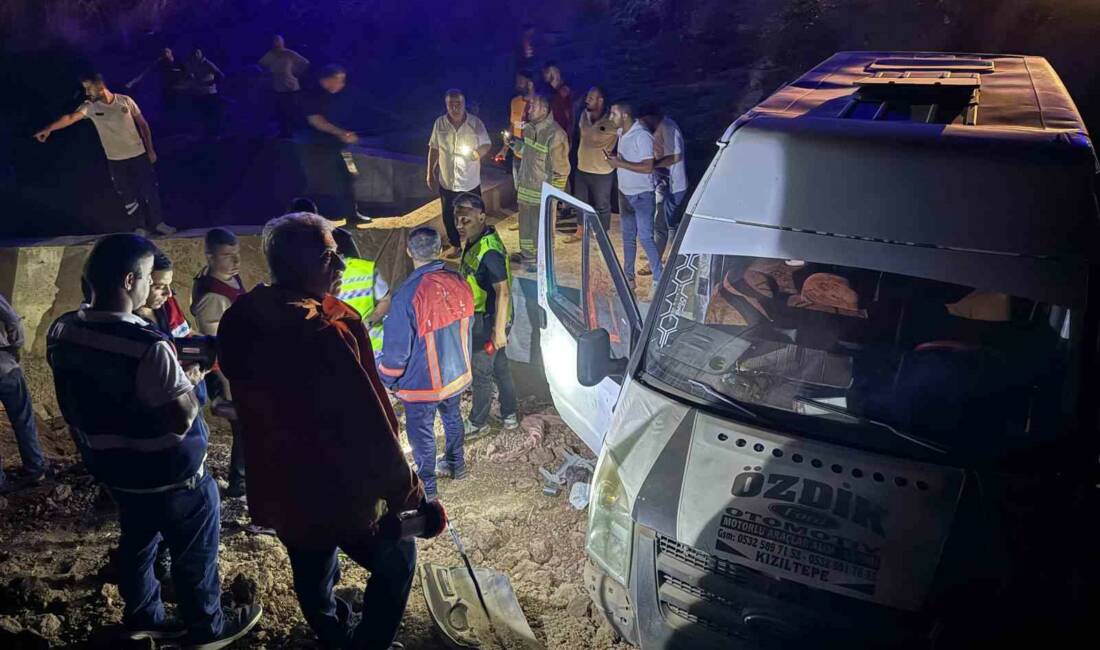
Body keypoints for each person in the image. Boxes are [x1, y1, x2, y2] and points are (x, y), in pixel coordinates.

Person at [218, 213, 439, 650]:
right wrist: (408, 493)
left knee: (310, 562)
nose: (340, 267)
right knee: (397, 557)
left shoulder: (242, 315)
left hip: (279, 482)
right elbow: (367, 425)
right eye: (330, 257)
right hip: (335, 487)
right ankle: (369, 643)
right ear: (306, 264)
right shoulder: (320, 334)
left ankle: (333, 633)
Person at [46, 234, 261, 647]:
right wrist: (193, 379)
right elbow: (180, 417)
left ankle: (144, 615)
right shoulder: (147, 346)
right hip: (172, 474)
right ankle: (205, 630)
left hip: (116, 469)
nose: (152, 287)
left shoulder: (63, 330)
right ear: (130, 281)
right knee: (194, 553)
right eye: (148, 278)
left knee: (139, 541)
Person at [378, 227, 474, 500]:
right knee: (452, 416)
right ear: (440, 248)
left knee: (421, 432)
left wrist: (388, 378)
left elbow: (397, 353)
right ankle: (457, 464)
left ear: (409, 252)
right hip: (455, 372)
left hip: (423, 382)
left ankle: (428, 486)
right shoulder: (458, 280)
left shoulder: (407, 295)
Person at [34, 73, 175, 237]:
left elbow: (143, 125)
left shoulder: (125, 101)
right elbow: (70, 117)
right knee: (127, 195)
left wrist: (150, 150)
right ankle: (140, 227)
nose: (87, 93)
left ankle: (159, 223)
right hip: (115, 160)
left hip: (138, 155)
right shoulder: (90, 107)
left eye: (89, 88)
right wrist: (48, 129)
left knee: (149, 190)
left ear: (100, 86)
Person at [454, 194, 519, 438]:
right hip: (485, 317)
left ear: (481, 216)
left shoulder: (488, 251)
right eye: (457, 220)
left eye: (465, 220)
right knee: (500, 367)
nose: (460, 225)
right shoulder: (476, 240)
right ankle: (509, 414)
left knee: (482, 372)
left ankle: (478, 422)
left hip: (489, 321)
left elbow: (503, 291)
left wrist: (498, 329)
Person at [190, 228, 247, 497]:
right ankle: (240, 484)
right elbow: (217, 343)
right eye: (227, 256)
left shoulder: (228, 279)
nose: (236, 262)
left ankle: (242, 481)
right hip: (229, 370)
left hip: (240, 364)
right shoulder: (213, 295)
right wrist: (227, 387)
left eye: (236, 255)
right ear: (210, 257)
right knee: (244, 427)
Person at [504, 93, 570, 270]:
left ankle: (542, 260)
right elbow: (528, 152)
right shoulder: (530, 129)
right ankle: (527, 255)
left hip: (543, 195)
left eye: (532, 106)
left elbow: (561, 171)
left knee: (543, 230)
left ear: (544, 109)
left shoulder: (555, 134)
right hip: (526, 190)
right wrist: (513, 144)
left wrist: (552, 199)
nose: (528, 109)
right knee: (526, 227)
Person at [298, 65, 370, 227]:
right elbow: (316, 121)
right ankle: (308, 219)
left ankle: (351, 215)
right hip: (316, 147)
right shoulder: (314, 95)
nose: (341, 84)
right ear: (328, 79)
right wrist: (341, 133)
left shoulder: (333, 96)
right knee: (318, 183)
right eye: (339, 79)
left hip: (333, 146)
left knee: (346, 177)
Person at [427, 89, 491, 259]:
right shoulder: (439, 124)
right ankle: (455, 245)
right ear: (446, 105)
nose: (455, 108)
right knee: (448, 215)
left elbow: (486, 144)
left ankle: (475, 245)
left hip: (469, 181)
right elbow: (434, 148)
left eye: (458, 104)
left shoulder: (475, 123)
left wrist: (477, 153)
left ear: (464, 104)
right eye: (451, 104)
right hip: (447, 181)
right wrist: (430, 172)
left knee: (473, 216)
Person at [606, 100, 660, 290]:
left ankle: (658, 279)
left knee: (645, 237)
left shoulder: (642, 136)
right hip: (624, 193)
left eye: (613, 113)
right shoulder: (622, 132)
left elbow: (648, 167)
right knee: (628, 238)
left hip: (642, 195)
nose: (610, 117)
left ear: (625, 116)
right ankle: (629, 279)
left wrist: (619, 164)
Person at [0, 292, 48, 493]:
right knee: (23, 419)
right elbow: (13, 320)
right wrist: (14, 347)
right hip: (5, 365)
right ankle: (36, 469)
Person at [565, 86, 617, 241]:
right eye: (587, 97)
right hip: (582, 167)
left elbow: (624, 136)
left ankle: (603, 233)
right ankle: (580, 231)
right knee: (580, 201)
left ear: (600, 100)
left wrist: (618, 156)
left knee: (602, 204)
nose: (587, 100)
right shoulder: (583, 115)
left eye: (591, 98)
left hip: (602, 171)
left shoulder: (611, 120)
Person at [640, 106, 688, 261]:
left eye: (644, 121)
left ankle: (659, 259)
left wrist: (651, 165)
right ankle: (665, 255)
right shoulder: (661, 126)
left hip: (673, 186)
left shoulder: (668, 128)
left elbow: (676, 157)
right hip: (664, 184)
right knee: (665, 222)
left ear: (651, 117)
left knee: (661, 224)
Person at [332, 228, 390, 353]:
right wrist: (369, 321)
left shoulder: (316, 275)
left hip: (340, 351)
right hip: (374, 347)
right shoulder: (365, 269)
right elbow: (386, 299)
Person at [258, 35, 310, 138]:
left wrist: (296, 72)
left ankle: (291, 132)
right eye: (274, 41)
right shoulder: (270, 54)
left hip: (290, 86)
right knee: (281, 110)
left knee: (290, 109)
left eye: (278, 41)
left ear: (282, 42)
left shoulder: (289, 53)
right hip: (277, 86)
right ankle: (284, 131)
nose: (276, 43)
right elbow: (261, 65)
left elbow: (305, 63)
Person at [495, 70, 535, 201]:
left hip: (534, 157)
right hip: (517, 155)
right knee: (519, 190)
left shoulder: (540, 104)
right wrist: (504, 149)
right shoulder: (515, 102)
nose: (517, 84)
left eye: (520, 81)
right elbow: (513, 125)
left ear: (530, 82)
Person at [125, 48, 188, 130]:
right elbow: (146, 72)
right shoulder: (160, 63)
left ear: (170, 52)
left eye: (166, 53)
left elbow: (186, 74)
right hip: (165, 89)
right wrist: (132, 82)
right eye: (163, 53)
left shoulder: (178, 62)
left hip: (178, 90)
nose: (165, 55)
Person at [181, 49, 226, 137]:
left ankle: (214, 135)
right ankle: (205, 135)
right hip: (199, 95)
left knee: (212, 115)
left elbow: (221, 76)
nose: (195, 55)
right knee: (202, 116)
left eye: (197, 53)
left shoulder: (207, 63)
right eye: (194, 54)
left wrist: (211, 82)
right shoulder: (191, 64)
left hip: (210, 94)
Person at [542, 62, 575, 141]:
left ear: (555, 71)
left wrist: (568, 136)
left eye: (547, 71)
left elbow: (570, 116)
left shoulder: (565, 92)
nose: (544, 74)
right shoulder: (549, 92)